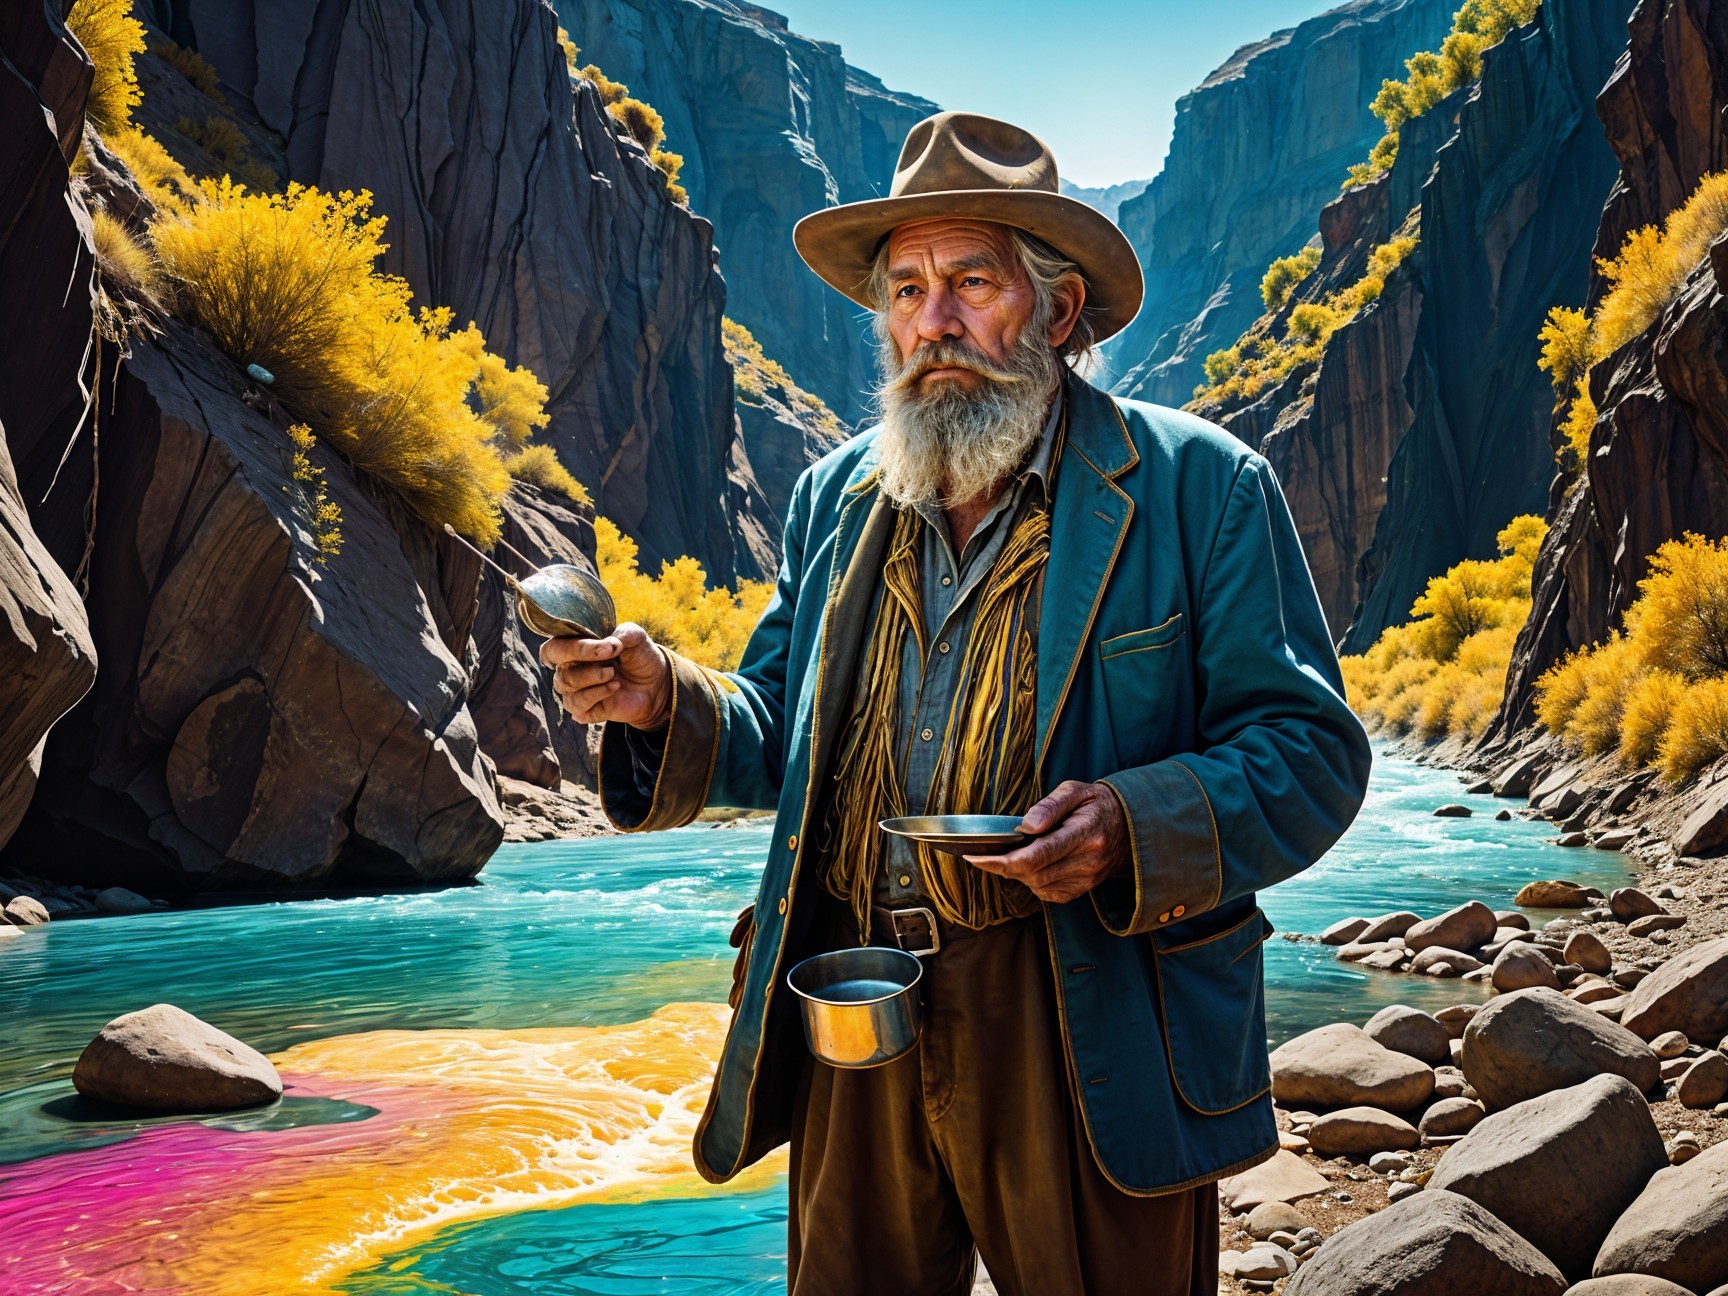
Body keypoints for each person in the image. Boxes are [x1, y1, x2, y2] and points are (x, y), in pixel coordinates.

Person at [544, 110, 1371, 1296]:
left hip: (1086, 1007)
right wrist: (661, 700)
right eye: (906, 290)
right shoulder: (834, 498)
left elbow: (1308, 753)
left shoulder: (1201, 487)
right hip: (856, 994)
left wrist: (1130, 823)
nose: (933, 320)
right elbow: (783, 728)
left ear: (1057, 311)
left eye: (971, 283)